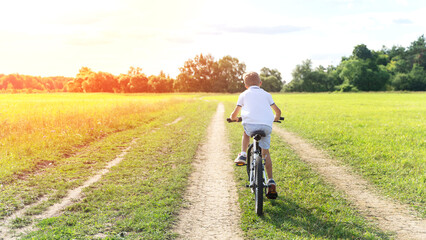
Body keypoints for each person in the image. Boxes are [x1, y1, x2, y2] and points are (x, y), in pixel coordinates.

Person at [229, 71, 281, 199]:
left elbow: (234, 114)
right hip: (266, 126)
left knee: (246, 132)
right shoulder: (267, 94)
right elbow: (278, 111)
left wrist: (233, 118)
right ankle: (271, 181)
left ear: (245, 85)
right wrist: (275, 118)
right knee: (266, 153)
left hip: (251, 125)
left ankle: (243, 154)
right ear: (260, 83)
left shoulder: (243, 94)